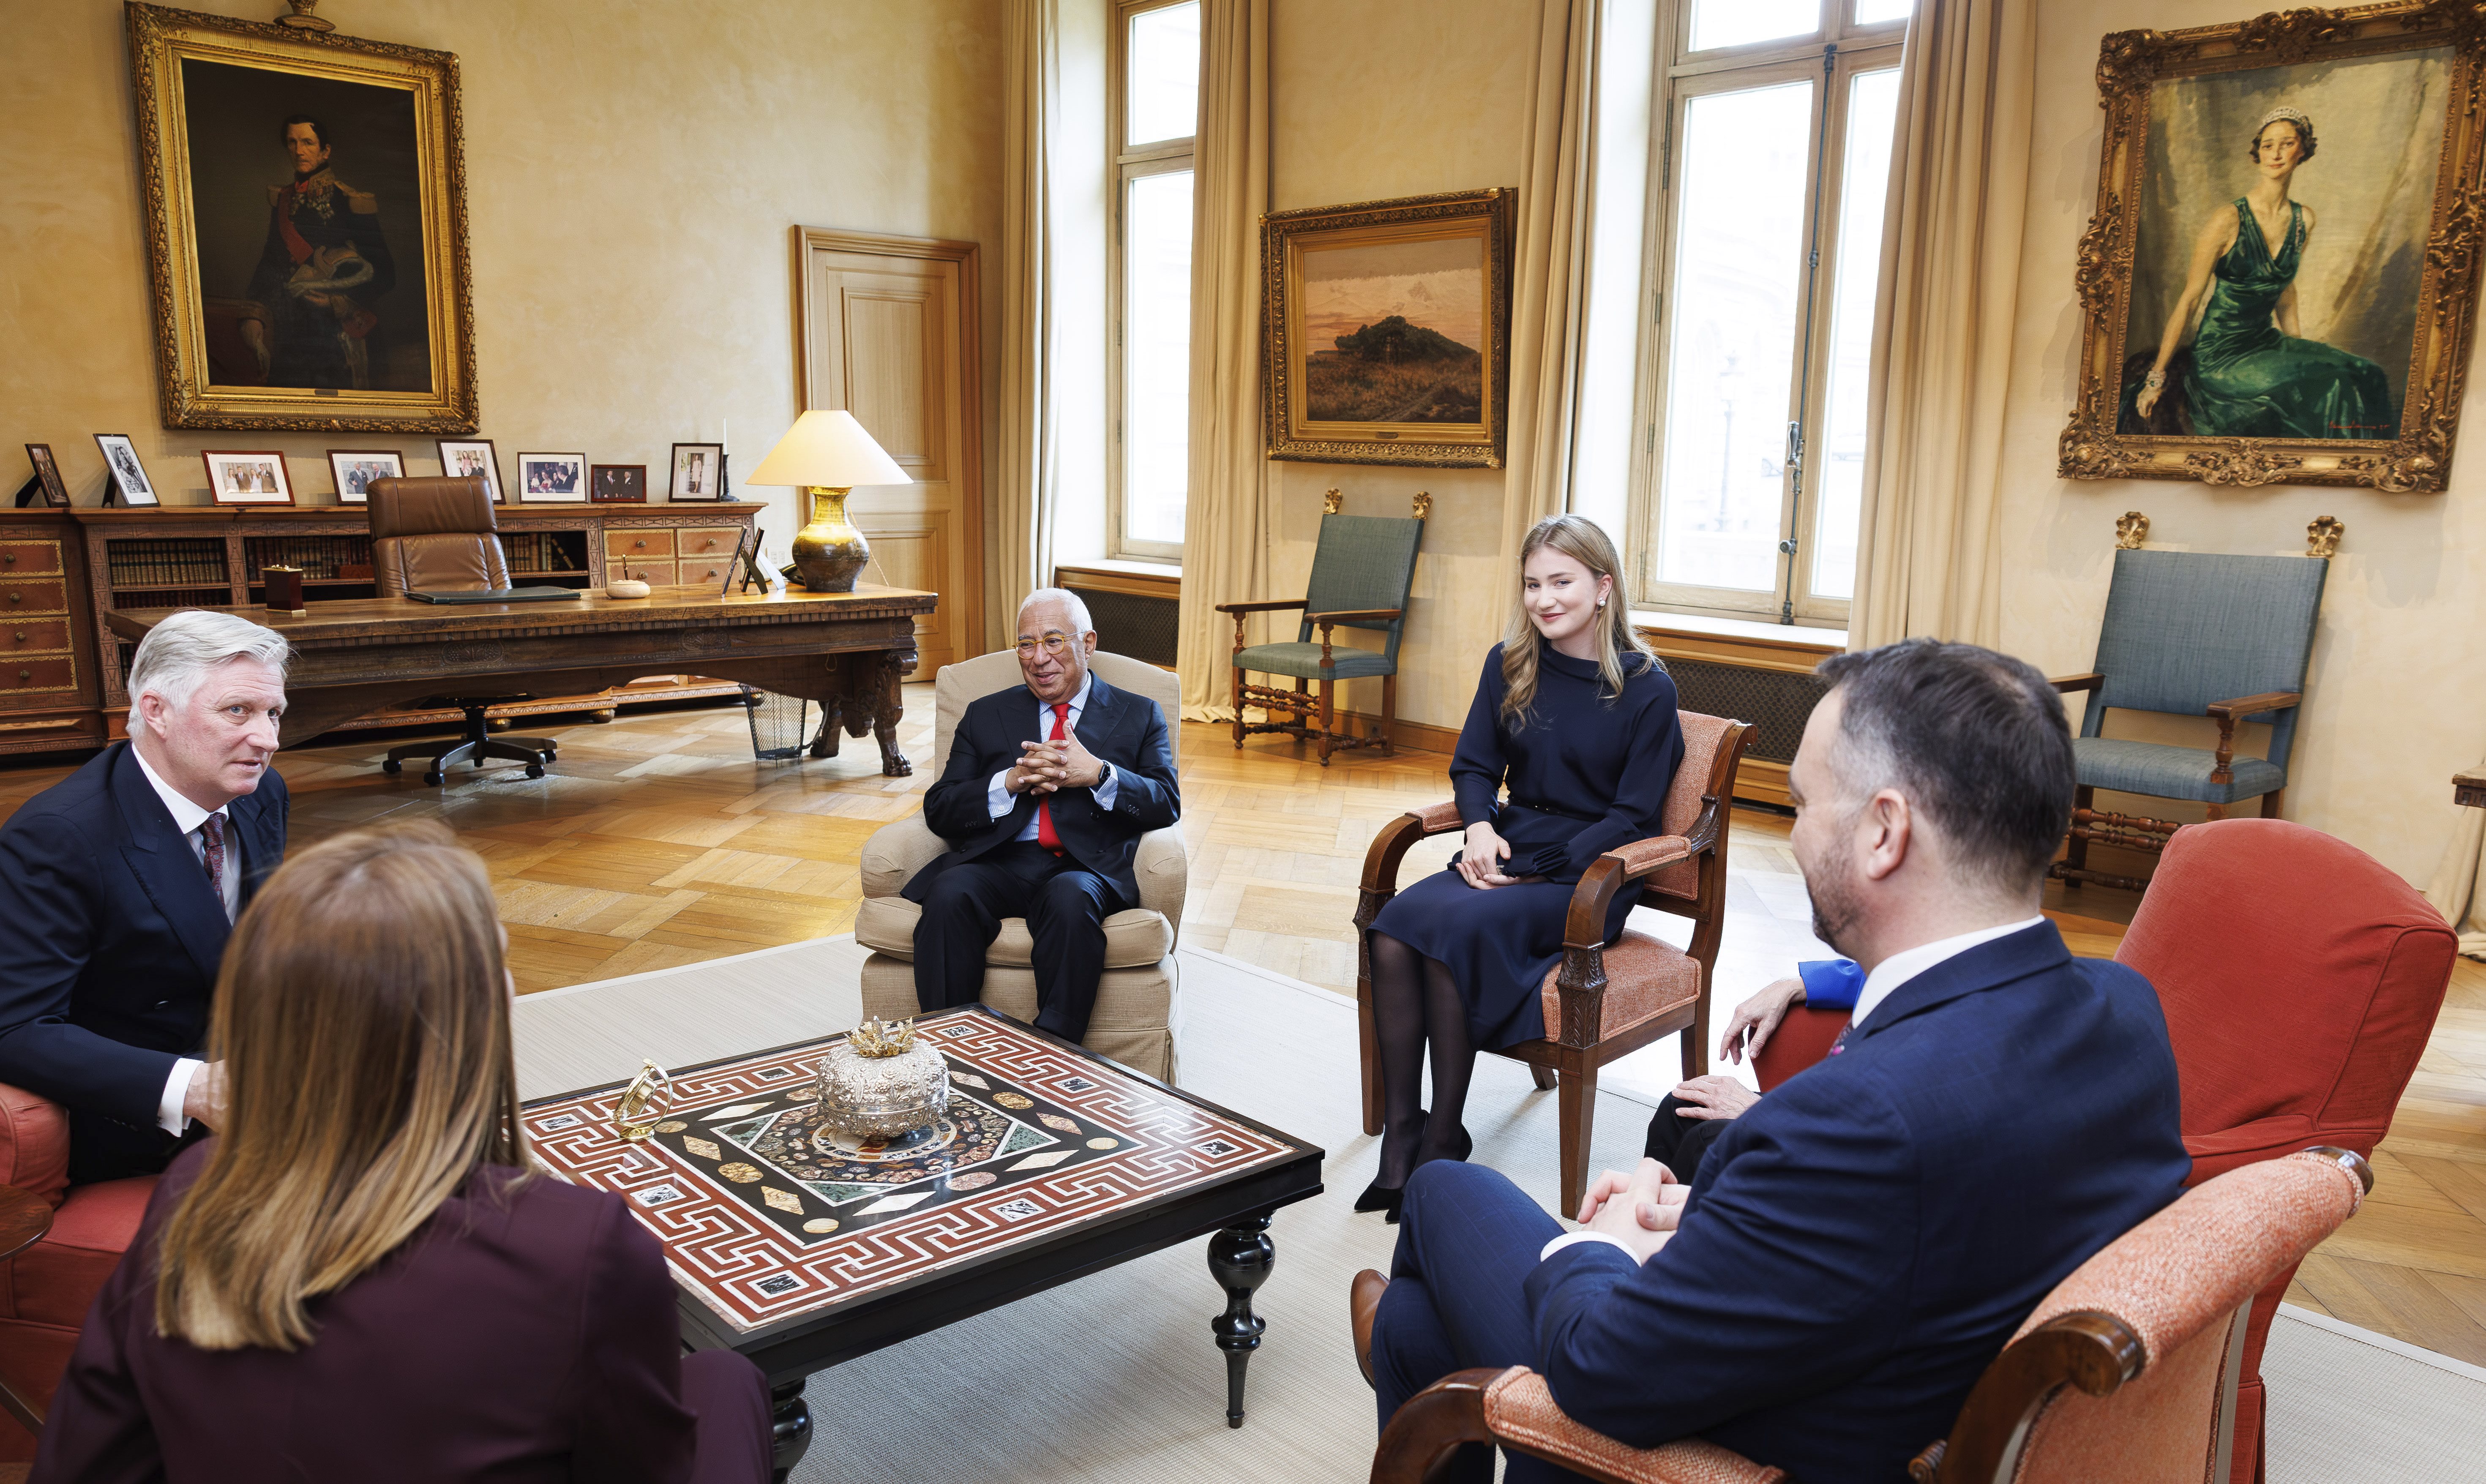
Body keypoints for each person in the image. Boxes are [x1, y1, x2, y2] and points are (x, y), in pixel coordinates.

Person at [1354, 639, 2193, 1484]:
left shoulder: (1853, 1122)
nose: (1790, 839)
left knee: (1439, 1195)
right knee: (1418, 1329)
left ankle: (1435, 1381)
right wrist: (1717, 1215)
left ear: (1883, 832)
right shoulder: (2126, 1012)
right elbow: (1924, 1224)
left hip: (1738, 1440)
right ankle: (1428, 1365)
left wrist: (1601, 1244)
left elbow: (1603, 1371)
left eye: (1799, 805)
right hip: (1886, 1365)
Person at [31, 822, 772, 1482]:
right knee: (726, 1379)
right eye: (500, 963)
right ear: (467, 1014)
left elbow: (86, 1458)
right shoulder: (579, 1246)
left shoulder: (193, 1189)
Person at [1356, 515, 1683, 1221]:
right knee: (1395, 928)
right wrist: (1477, 824)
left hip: (1590, 873)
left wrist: (1540, 864)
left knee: (1453, 934)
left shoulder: (1648, 687)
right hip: (1506, 843)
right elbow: (1474, 763)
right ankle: (1406, 1128)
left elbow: (1633, 814)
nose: (1542, 598)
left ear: (1602, 587)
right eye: (1532, 583)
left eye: (1560, 582)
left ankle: (1445, 1136)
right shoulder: (1509, 661)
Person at [0, 611, 290, 1184]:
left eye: (274, 713)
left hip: (258, 1077)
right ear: (156, 710)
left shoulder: (260, 793)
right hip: (142, 1125)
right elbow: (15, 1028)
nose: (268, 739)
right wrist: (194, 1089)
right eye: (238, 711)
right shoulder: (60, 837)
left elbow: (243, 951)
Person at [903, 588, 1180, 1041]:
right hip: (1001, 860)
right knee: (950, 890)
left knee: (1070, 898)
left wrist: (1099, 774)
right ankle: (949, 1041)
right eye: (1026, 644)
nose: (1038, 657)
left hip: (1083, 865)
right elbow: (940, 808)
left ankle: (1055, 1049)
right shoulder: (985, 713)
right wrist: (1008, 782)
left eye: (1054, 641)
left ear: (1087, 644)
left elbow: (1166, 801)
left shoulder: (1138, 713)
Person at [2127, 105, 2393, 439]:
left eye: (2287, 143)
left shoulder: (2303, 220)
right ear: (2257, 154)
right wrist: (2156, 378)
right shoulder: (2226, 219)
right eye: (2267, 145)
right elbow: (2190, 299)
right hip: (2221, 355)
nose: (2276, 154)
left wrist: (2297, 345)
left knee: (2367, 373)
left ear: (2303, 150)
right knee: (2333, 383)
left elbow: (2284, 288)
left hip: (2266, 342)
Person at [240, 115, 396, 391]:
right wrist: (254, 314)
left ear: (325, 151)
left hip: (338, 336)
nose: (299, 151)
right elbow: (270, 263)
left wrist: (337, 301)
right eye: (293, 142)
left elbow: (385, 274)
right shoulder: (283, 202)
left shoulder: (351, 203)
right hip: (291, 335)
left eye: (308, 143)